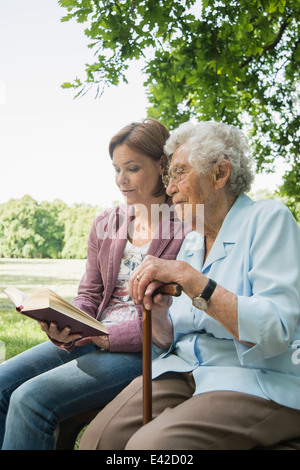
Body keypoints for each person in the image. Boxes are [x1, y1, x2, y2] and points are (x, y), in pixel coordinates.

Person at [79, 120, 300, 451]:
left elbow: (275, 330)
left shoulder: (269, 219)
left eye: (179, 173)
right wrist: (155, 309)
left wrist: (193, 280)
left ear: (219, 174)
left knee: (150, 448)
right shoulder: (194, 240)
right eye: (169, 177)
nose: (169, 189)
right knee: (100, 440)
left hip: (255, 378)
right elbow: (172, 337)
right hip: (185, 368)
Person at [0, 118, 187, 450]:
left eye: (132, 168)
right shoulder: (107, 221)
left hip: (145, 348)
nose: (121, 180)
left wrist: (105, 336)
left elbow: (177, 318)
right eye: (116, 169)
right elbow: (90, 294)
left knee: (30, 400)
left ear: (162, 164)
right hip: (92, 335)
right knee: (2, 384)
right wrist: (66, 322)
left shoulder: (187, 223)